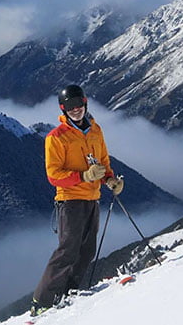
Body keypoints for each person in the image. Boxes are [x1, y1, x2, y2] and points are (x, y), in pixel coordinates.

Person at [30, 84, 124, 317]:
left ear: (85, 103)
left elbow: (103, 161)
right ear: (63, 109)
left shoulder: (95, 131)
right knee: (67, 250)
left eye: (78, 105)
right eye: (69, 107)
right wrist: (83, 176)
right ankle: (41, 301)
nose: (75, 110)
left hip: (92, 198)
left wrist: (110, 180)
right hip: (70, 200)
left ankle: (69, 292)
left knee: (87, 251)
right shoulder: (56, 137)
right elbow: (54, 175)